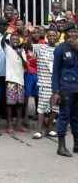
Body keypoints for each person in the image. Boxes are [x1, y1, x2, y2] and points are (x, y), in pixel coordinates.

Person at [51, 25, 78, 157]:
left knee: (76, 117)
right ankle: (61, 147)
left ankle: (76, 144)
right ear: (66, 34)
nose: (74, 34)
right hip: (65, 88)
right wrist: (55, 91)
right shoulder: (60, 49)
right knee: (64, 117)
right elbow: (55, 72)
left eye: (75, 32)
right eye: (71, 32)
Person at [32, 28, 58, 139]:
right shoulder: (40, 47)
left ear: (56, 37)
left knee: (55, 108)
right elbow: (28, 44)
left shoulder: (59, 49)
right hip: (43, 82)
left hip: (56, 83)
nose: (52, 37)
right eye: (50, 35)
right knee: (41, 107)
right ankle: (39, 130)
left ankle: (50, 128)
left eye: (54, 35)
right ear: (46, 36)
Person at [4, 31, 28, 134]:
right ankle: (9, 125)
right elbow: (2, 41)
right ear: (10, 41)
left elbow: (26, 66)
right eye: (13, 39)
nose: (15, 41)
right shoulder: (7, 49)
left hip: (20, 81)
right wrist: (7, 32)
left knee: (20, 104)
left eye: (17, 40)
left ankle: (18, 124)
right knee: (10, 104)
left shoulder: (22, 51)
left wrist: (20, 54)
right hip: (11, 80)